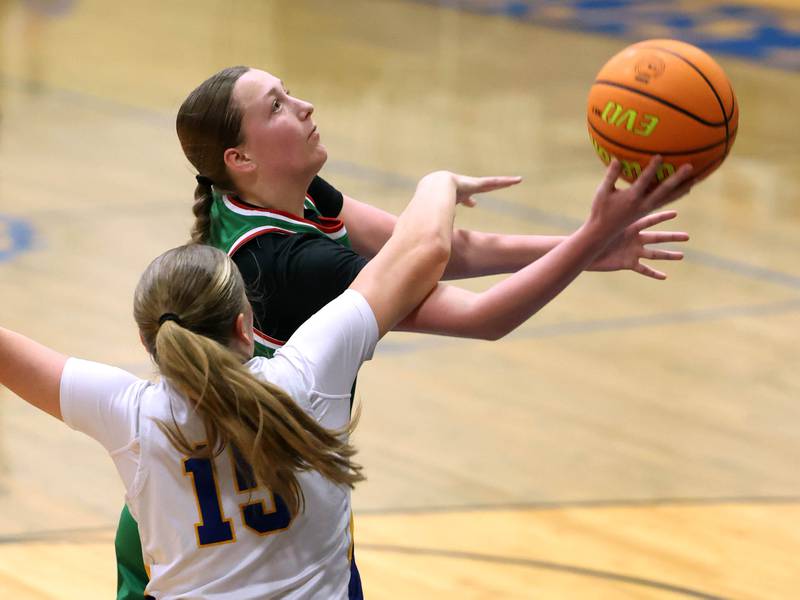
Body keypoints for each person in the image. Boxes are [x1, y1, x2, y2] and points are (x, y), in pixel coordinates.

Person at [110, 65, 695, 599]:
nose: (306, 105)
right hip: (213, 529)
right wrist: (439, 183)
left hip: (247, 505)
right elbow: (475, 307)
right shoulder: (287, 266)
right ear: (241, 157)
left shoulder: (266, 195)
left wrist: (591, 246)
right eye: (278, 107)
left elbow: (437, 252)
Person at [0, 170, 519, 598]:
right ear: (246, 326)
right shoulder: (306, 375)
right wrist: (439, 182)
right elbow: (423, 250)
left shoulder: (129, 414)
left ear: (148, 342)